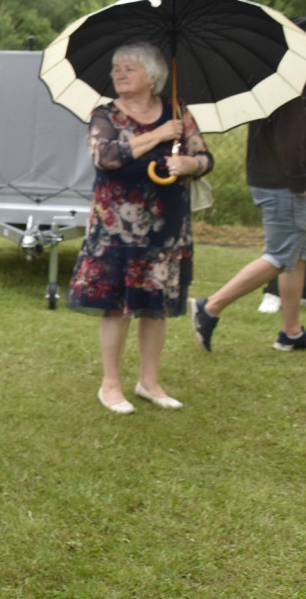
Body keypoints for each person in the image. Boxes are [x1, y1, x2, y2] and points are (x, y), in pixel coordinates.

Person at [66, 41, 213, 413]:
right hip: (116, 228)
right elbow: (106, 156)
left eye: (129, 68)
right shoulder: (106, 114)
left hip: (167, 225)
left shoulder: (178, 110)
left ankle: (149, 382)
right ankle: (110, 385)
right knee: (115, 306)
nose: (119, 74)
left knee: (155, 305)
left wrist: (190, 166)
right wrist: (159, 135)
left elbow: (205, 156)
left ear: (153, 77)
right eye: (117, 68)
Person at [190, 16, 306, 352]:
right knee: (280, 255)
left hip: (279, 179)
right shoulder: (292, 82)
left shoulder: (278, 75)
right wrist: (300, 185)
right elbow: (291, 142)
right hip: (283, 184)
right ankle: (208, 308)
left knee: (297, 256)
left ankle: (291, 332)